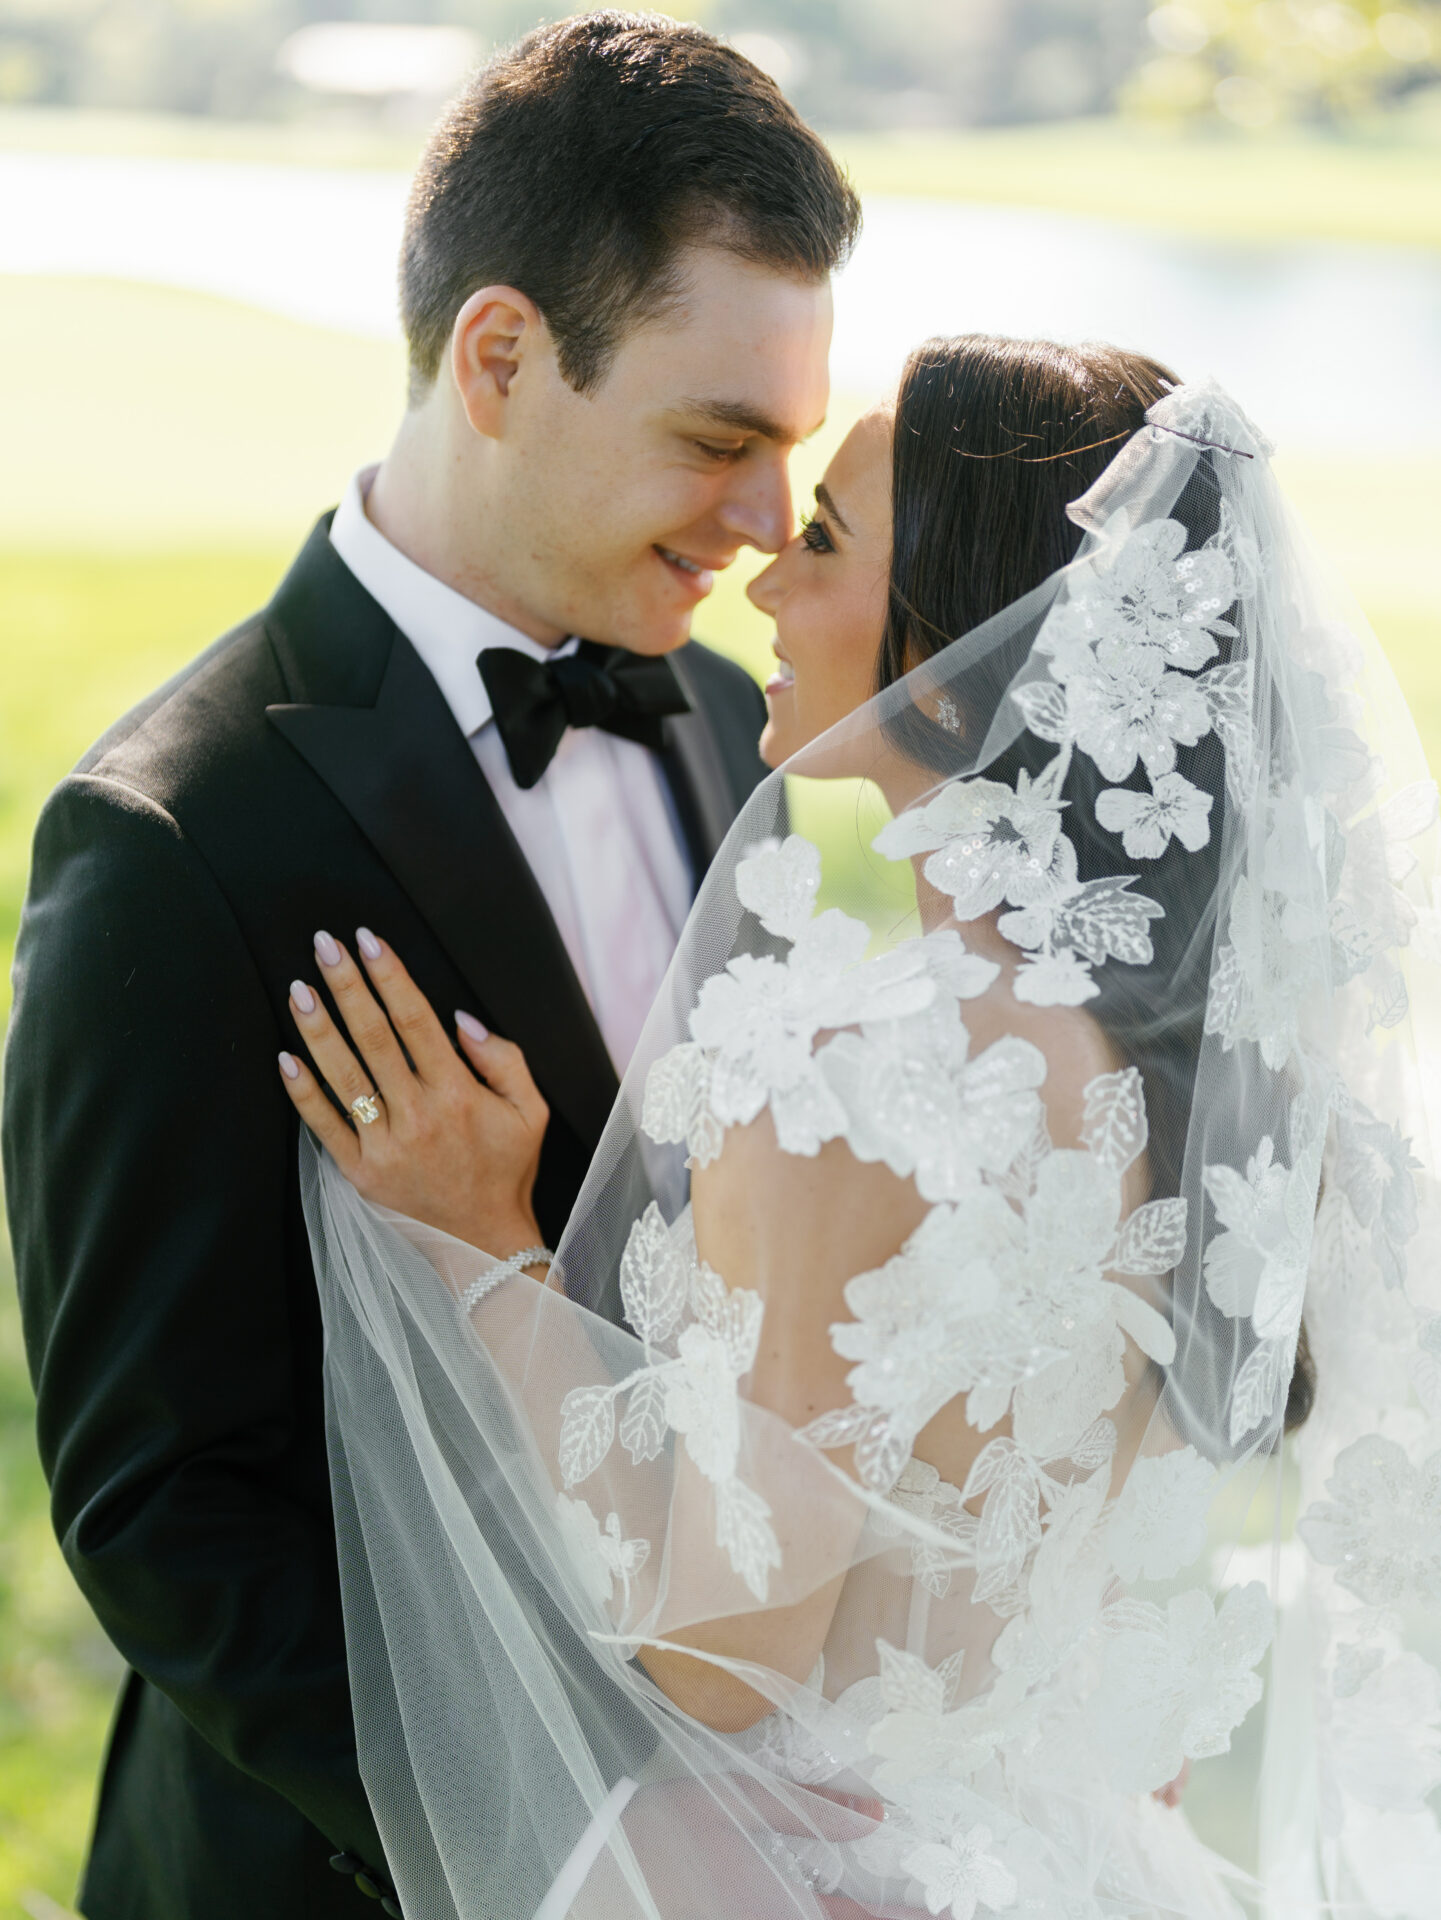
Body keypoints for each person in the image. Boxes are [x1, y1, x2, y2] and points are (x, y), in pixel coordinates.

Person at [282, 337, 1440, 1919]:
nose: (763, 584)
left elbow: (721, 1659)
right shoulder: (1173, 1060)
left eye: (822, 541)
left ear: (964, 651)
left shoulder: (852, 1075)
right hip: (1085, 1860)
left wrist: (489, 1254)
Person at [1, 16, 859, 1919]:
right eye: (716, 438)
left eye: (789, 450)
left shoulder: (731, 728)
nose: (756, 519)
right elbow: (162, 1508)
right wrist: (566, 1847)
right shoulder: (170, 838)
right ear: (497, 358)